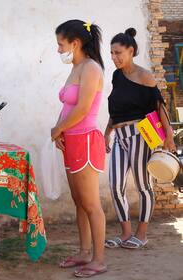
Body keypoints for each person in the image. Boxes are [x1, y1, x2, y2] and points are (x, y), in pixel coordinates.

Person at [104, 28, 175, 250]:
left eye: (118, 53)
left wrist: (169, 136)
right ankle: (126, 234)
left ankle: (141, 234)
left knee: (144, 186)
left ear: (131, 51)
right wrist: (107, 131)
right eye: (112, 53)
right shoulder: (117, 75)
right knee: (115, 185)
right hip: (119, 137)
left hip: (139, 136)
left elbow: (159, 106)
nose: (114, 58)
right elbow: (115, 108)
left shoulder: (145, 76)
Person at [51, 20, 107, 277]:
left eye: (60, 44)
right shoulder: (76, 68)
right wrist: (60, 130)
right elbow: (69, 107)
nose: (58, 50)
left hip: (85, 139)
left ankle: (99, 259)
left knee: (91, 204)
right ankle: (84, 252)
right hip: (71, 140)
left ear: (75, 43)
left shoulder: (91, 68)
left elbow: (83, 108)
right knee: (79, 202)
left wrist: (58, 129)